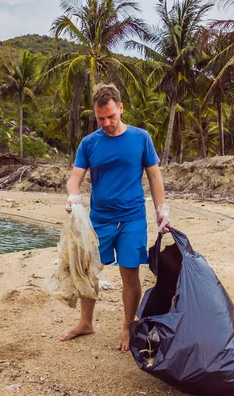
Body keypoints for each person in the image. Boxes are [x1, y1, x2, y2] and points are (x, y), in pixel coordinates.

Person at [58, 83, 171, 351]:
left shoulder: (141, 138)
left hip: (132, 217)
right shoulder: (89, 143)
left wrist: (161, 209)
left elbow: (154, 176)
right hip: (99, 219)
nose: (107, 123)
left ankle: (127, 326)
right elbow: (75, 178)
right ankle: (86, 323)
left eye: (112, 116)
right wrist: (73, 198)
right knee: (89, 272)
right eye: (101, 118)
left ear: (121, 108)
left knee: (130, 274)